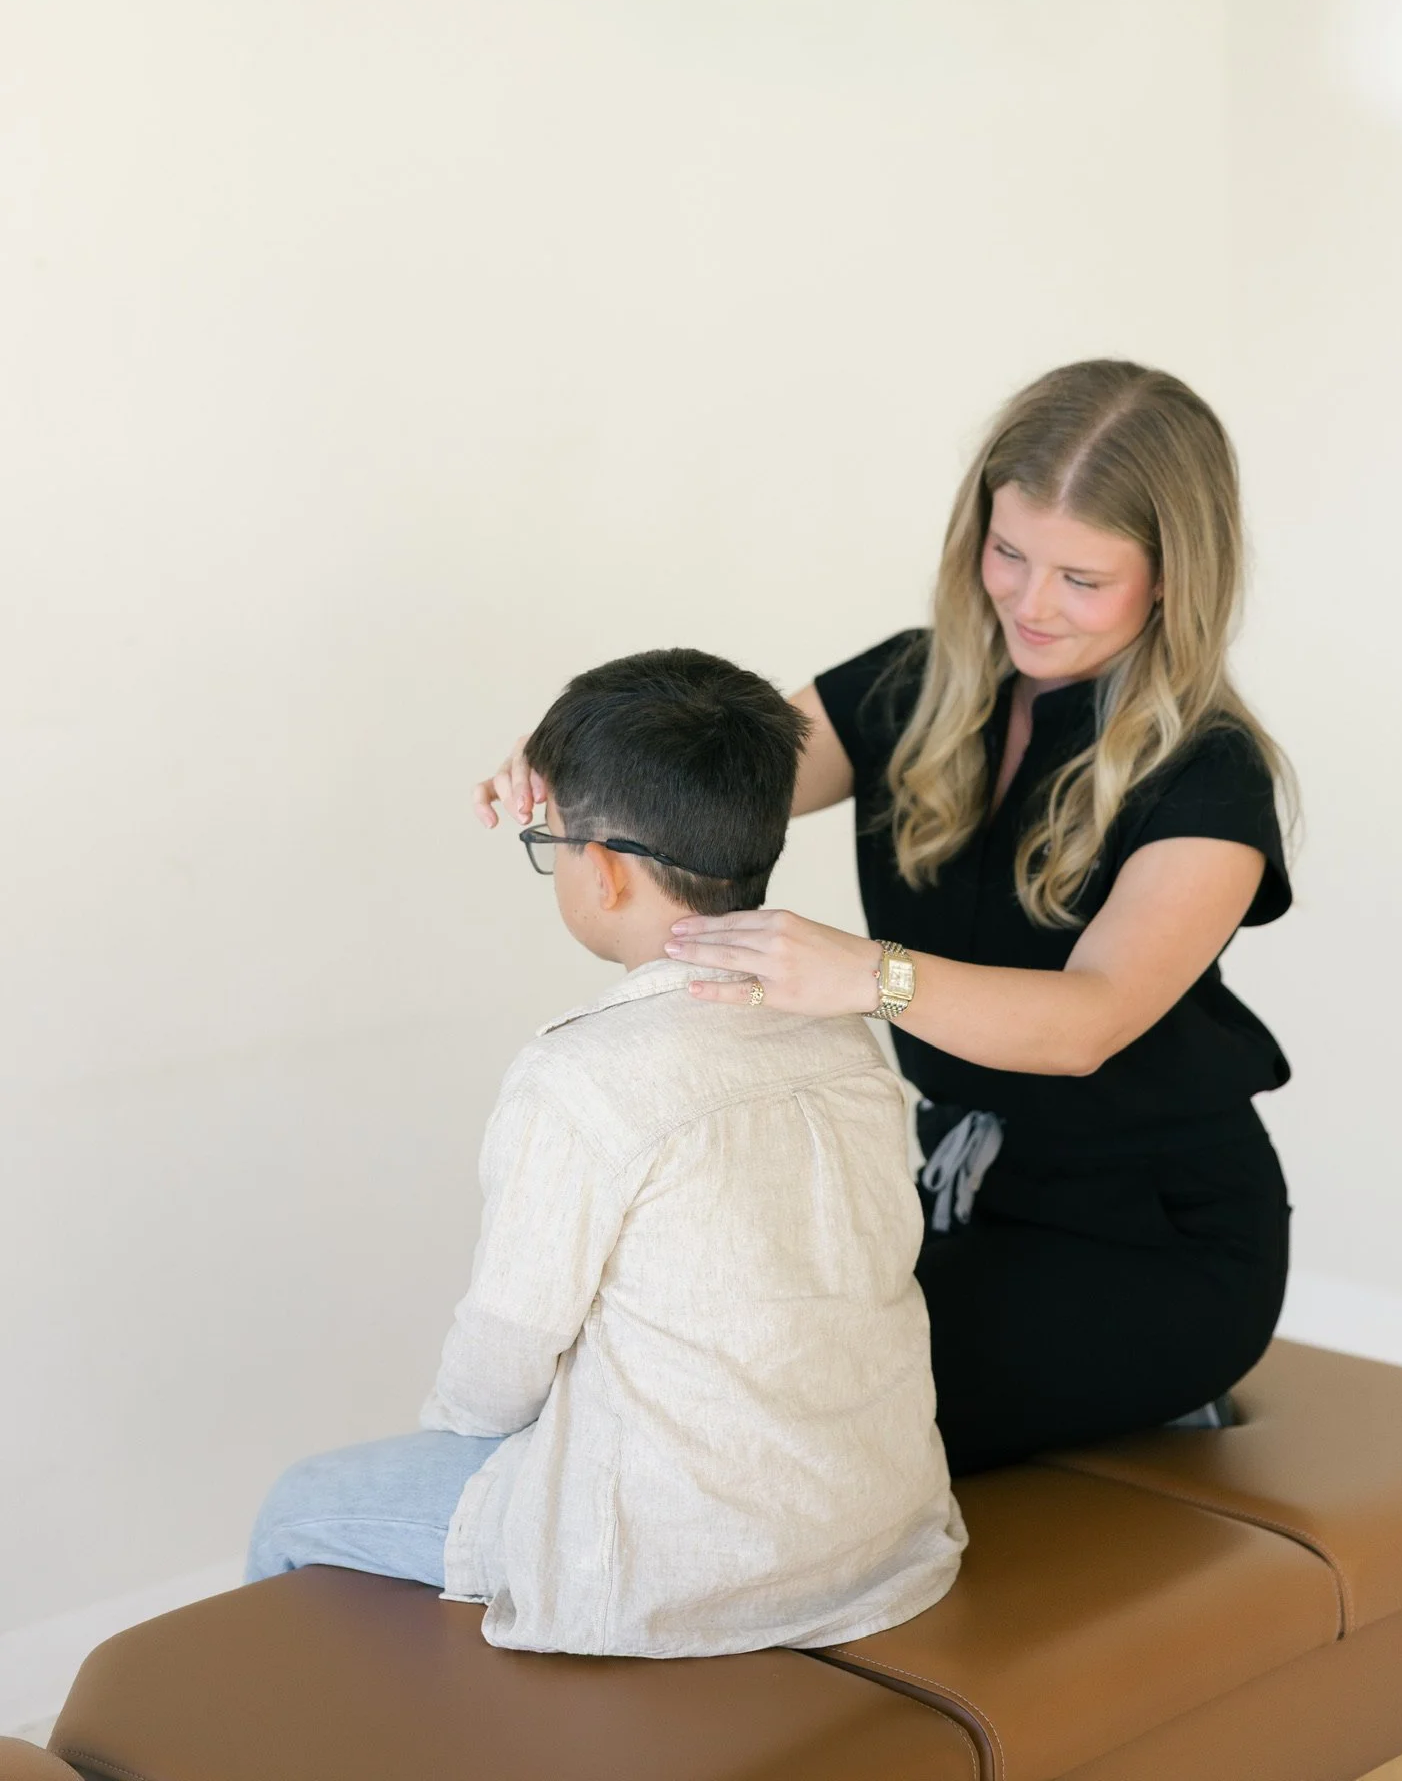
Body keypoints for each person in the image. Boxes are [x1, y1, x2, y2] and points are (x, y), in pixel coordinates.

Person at [478, 360, 1297, 1476]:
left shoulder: (1213, 775)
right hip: (955, 1200)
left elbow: (1087, 1021)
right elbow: (716, 776)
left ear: (1171, 580)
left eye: (1082, 577)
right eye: (1007, 552)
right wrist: (573, 770)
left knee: (796, 1427)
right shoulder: (917, 684)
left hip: (1154, 1241)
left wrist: (869, 975)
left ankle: (1152, 1402)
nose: (1030, 601)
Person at [250, 648, 964, 1656]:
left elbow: (504, 1351)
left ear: (609, 872)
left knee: (296, 1508)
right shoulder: (844, 1029)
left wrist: (462, 1434)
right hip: (875, 1537)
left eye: (555, 841)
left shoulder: (581, 1077)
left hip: (678, 1567)